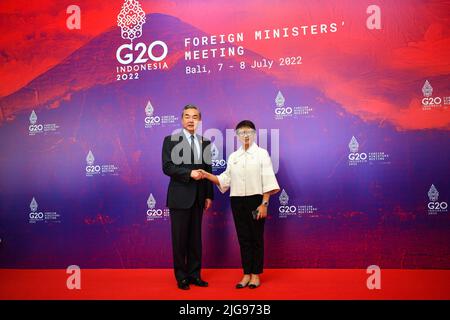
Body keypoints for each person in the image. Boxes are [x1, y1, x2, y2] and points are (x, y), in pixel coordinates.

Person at [199, 120, 280, 289]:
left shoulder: (262, 154)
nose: (245, 135)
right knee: (243, 238)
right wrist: (207, 175)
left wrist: (264, 203)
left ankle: (256, 275)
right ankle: (246, 274)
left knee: (256, 238)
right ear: (236, 136)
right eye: (241, 132)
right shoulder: (233, 156)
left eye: (248, 132)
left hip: (256, 200)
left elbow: (268, 180)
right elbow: (224, 180)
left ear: (254, 134)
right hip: (237, 201)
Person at [161, 104, 214, 290]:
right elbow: (167, 167)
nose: (191, 120)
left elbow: (208, 171)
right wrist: (189, 173)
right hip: (179, 197)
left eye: (195, 117)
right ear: (182, 120)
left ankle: (194, 275)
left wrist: (209, 195)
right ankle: (181, 277)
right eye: (187, 116)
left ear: (199, 120)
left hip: (199, 198)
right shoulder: (170, 140)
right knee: (180, 240)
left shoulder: (205, 142)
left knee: (195, 240)